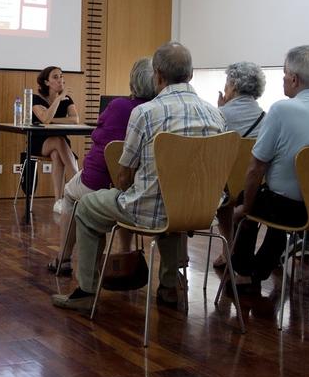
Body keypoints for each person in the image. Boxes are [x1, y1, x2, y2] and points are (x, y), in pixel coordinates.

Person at [51, 42, 225, 312]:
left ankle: (86, 291)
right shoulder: (216, 115)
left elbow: (124, 177)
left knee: (85, 206)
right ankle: (169, 286)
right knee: (172, 205)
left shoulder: (145, 113)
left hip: (149, 211)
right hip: (198, 211)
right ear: (190, 75)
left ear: (158, 75)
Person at [229, 46, 309, 288]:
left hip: (288, 209)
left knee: (251, 199)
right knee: (299, 196)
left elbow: (256, 168)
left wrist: (245, 207)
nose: (283, 79)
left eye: (285, 74)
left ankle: (244, 274)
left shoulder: (281, 110)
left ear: (294, 79)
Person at [63, 58, 157, 203]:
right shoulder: (159, 112)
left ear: (133, 81)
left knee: (69, 193)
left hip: (102, 181)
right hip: (142, 187)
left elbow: (98, 137)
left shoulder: (119, 106)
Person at [212, 61, 267, 270]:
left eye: (227, 84)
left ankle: (229, 249)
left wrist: (220, 109)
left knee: (224, 195)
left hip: (224, 188)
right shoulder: (266, 117)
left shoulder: (219, 114)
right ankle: (236, 249)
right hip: (255, 189)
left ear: (233, 86)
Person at [30, 66, 80, 214]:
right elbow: (45, 118)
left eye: (61, 76)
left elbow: (75, 119)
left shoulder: (67, 99)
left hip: (60, 143)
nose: (61, 80)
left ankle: (59, 201)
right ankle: (78, 182)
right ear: (46, 82)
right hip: (39, 141)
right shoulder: (36, 98)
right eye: (56, 77)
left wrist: (53, 121)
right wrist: (58, 98)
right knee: (58, 141)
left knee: (57, 154)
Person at [217, 61, 267, 138]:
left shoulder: (219, 116)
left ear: (234, 85)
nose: (224, 88)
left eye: (227, 82)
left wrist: (219, 110)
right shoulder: (266, 119)